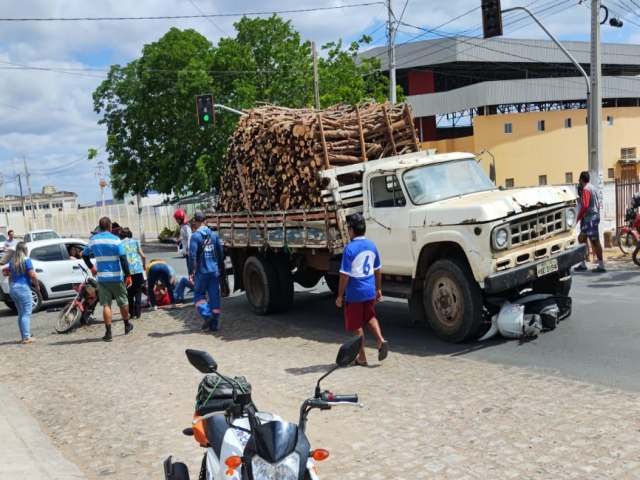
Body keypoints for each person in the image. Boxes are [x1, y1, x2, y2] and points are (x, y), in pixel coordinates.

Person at [335, 213, 388, 366]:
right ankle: (380, 340)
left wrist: (339, 295)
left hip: (355, 293)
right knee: (370, 317)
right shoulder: (372, 246)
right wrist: (378, 289)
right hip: (370, 289)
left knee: (356, 325)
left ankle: (362, 357)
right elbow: (378, 271)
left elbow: (344, 276)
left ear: (351, 230)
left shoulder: (349, 249)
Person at [82, 216, 133, 342]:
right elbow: (123, 259)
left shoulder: (93, 240)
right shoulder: (116, 240)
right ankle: (127, 325)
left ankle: (108, 332)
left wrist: (92, 268)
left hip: (103, 278)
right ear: (110, 227)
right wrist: (128, 275)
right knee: (123, 301)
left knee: (106, 305)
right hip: (116, 276)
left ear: (99, 227)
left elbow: (84, 255)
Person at [189, 211, 224, 332]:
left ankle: (207, 315)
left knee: (198, 295)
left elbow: (192, 256)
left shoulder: (195, 236)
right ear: (205, 220)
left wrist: (190, 272)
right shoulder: (213, 235)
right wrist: (220, 266)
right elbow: (220, 252)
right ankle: (214, 326)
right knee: (214, 296)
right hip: (214, 270)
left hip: (202, 271)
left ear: (196, 221)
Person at [7, 242, 40, 344]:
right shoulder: (26, 260)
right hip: (23, 287)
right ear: (25, 250)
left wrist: (11, 287)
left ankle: (24, 336)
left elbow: (9, 277)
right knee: (26, 313)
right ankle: (26, 337)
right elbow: (32, 275)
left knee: (21, 314)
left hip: (13, 287)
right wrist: (37, 285)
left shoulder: (12, 261)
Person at [574, 171, 606, 273]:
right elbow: (597, 204)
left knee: (595, 242)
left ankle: (601, 265)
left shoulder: (586, 189)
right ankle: (583, 264)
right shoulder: (592, 187)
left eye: (579, 180)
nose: (579, 182)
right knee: (581, 239)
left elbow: (585, 205)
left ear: (581, 180)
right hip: (592, 218)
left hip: (590, 219)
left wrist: (578, 218)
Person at [119, 227, 146, 319]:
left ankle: (131, 313)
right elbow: (143, 256)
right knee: (138, 291)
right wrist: (143, 265)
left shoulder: (120, 244)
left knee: (129, 293)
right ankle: (138, 313)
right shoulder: (135, 242)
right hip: (138, 270)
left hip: (127, 272)